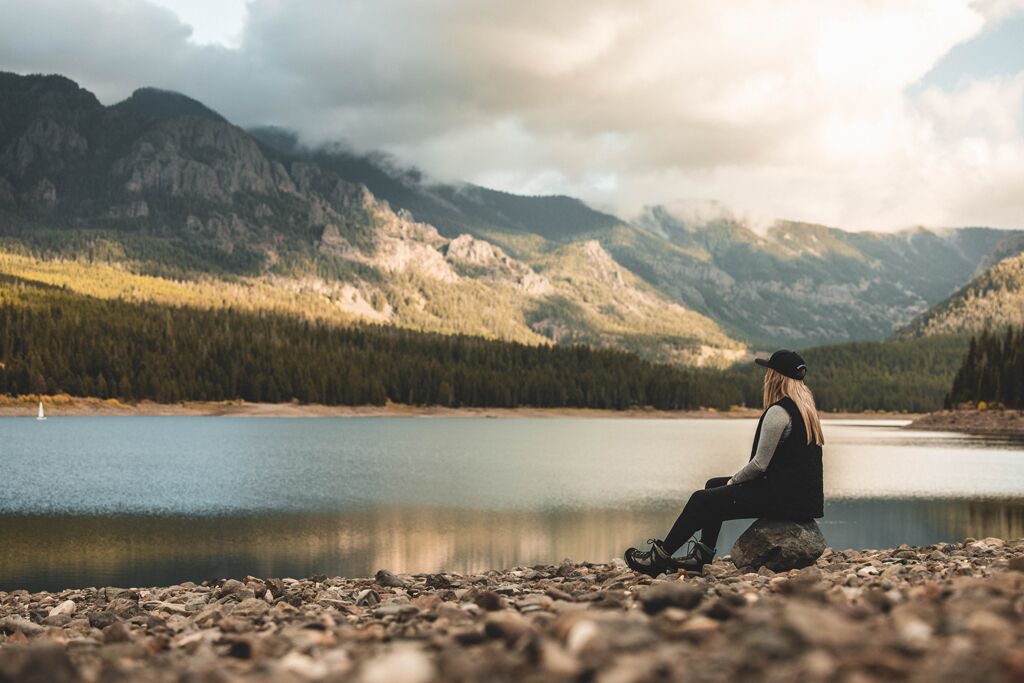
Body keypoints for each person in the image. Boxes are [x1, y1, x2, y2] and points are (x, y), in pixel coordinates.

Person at [624, 350, 825, 577]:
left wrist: (734, 481)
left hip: (783, 499)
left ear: (775, 376)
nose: (765, 375)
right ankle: (702, 556)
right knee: (713, 485)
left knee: (701, 499)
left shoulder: (779, 411)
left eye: (768, 371)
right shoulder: (806, 410)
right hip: (802, 499)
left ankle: (658, 557)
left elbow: (759, 465)